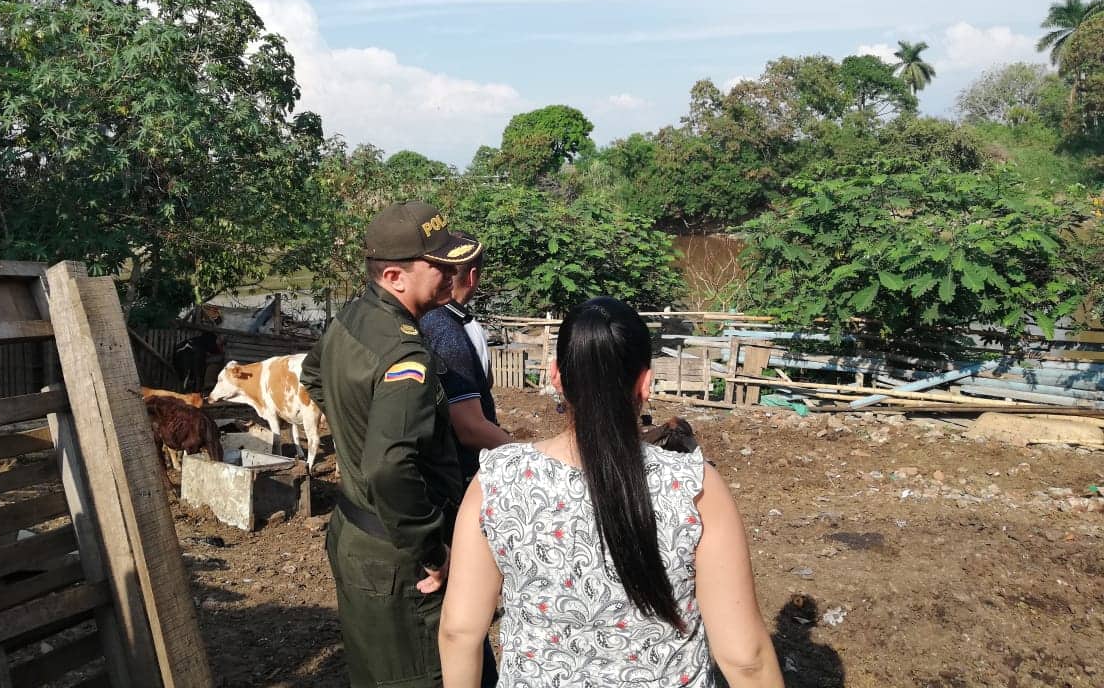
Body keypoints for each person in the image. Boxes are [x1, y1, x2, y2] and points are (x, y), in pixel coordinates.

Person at [439, 297, 785, 688]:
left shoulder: (497, 479)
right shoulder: (694, 487)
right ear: (646, 383)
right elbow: (745, 659)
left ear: (555, 376)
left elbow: (459, 632)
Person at [301, 200, 480, 688]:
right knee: (418, 675)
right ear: (395, 277)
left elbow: (312, 372)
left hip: (356, 532)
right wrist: (432, 551)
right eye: (439, 266)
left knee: (376, 672)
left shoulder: (351, 317)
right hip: (399, 556)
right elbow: (388, 467)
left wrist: (356, 431)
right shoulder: (405, 355)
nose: (452, 275)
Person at [420, 236, 509, 688]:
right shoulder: (447, 331)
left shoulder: (427, 321)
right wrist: (525, 455)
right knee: (466, 600)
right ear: (472, 277)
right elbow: (470, 425)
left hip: (436, 480)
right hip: (459, 482)